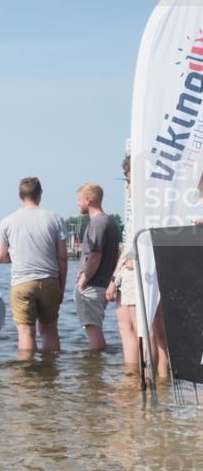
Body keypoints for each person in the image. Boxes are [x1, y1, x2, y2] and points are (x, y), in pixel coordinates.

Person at [0, 177, 68, 357]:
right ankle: (51, 370)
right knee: (50, 330)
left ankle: (27, 372)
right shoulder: (55, 218)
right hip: (50, 281)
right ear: (40, 194)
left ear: (20, 195)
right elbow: (62, 257)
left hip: (22, 283)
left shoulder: (7, 221)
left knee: (26, 332)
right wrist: (61, 286)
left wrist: (18, 258)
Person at [74, 183, 121, 351]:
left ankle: (94, 364)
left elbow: (95, 255)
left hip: (93, 285)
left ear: (88, 200)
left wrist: (83, 281)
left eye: (79, 199)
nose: (78, 203)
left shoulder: (97, 223)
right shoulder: (110, 221)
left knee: (93, 330)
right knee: (95, 328)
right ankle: (98, 362)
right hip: (103, 283)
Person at [105, 157, 141, 368]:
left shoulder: (146, 209)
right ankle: (131, 374)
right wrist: (114, 279)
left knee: (143, 332)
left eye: (128, 180)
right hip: (124, 274)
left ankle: (147, 376)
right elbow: (127, 248)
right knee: (126, 328)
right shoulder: (132, 212)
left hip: (137, 274)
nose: (127, 187)